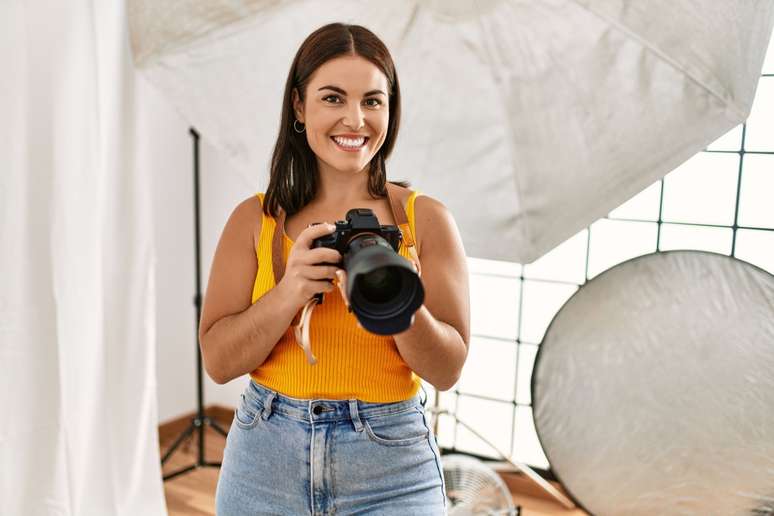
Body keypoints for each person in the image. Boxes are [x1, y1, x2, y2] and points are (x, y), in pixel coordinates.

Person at [199, 22, 470, 515]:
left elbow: (447, 369)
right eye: (332, 98)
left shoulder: (426, 220)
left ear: (390, 109)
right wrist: (289, 291)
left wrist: (399, 299)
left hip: (392, 466)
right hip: (265, 459)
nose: (355, 119)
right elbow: (218, 362)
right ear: (299, 107)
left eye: (372, 101)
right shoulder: (253, 220)